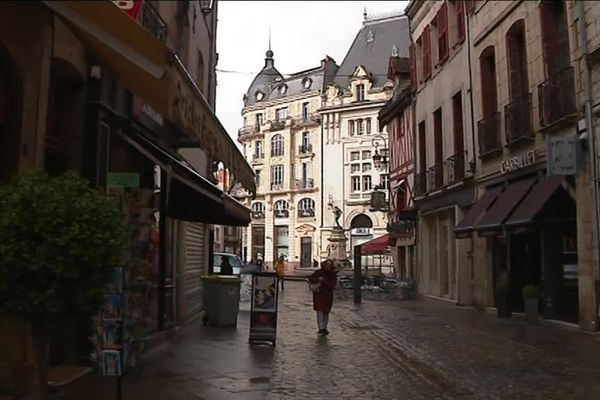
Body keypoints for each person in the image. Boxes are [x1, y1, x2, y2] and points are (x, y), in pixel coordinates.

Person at [308, 259, 337, 336]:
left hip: (328, 295)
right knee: (320, 311)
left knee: (326, 312)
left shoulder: (332, 274)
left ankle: (324, 327)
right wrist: (318, 279)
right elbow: (311, 278)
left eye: (329, 265)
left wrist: (324, 281)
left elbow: (332, 285)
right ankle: (321, 328)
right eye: (326, 264)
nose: (328, 266)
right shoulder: (318, 272)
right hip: (319, 294)